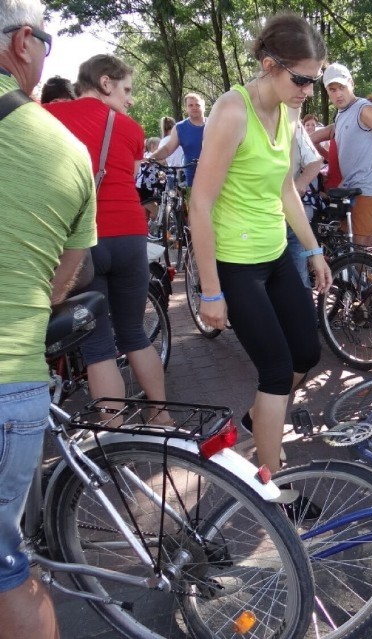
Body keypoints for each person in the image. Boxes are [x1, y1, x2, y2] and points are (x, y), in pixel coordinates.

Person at [188, 11, 331, 476]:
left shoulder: (288, 112)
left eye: (315, 80)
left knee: (306, 355)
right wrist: (211, 291)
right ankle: (275, 493)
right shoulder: (232, 110)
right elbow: (200, 202)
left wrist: (312, 249)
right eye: (303, 79)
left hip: (274, 254)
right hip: (237, 264)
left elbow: (287, 187)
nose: (309, 91)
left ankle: (258, 419)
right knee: (274, 371)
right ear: (270, 65)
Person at [0, 5, 96, 636]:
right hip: (18, 378)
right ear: (22, 43)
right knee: (7, 564)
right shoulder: (68, 147)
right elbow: (66, 276)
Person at [45, 54, 171, 419]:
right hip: (130, 234)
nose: (130, 100)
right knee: (133, 332)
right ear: (105, 83)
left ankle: (114, 431)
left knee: (98, 345)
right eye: (126, 89)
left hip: (82, 242)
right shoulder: (129, 128)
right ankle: (160, 414)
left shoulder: (47, 118)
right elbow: (128, 178)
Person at [315, 62, 372, 246]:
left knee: (361, 250)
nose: (338, 94)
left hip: (368, 190)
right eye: (332, 89)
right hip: (348, 189)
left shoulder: (364, 109)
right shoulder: (341, 114)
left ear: (352, 83)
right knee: (348, 248)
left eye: (342, 87)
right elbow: (325, 136)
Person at [287, 109, 324, 288]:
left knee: (300, 276)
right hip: (257, 220)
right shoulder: (241, 118)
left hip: (291, 213)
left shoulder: (294, 125)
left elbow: (315, 161)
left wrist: (301, 183)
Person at [149, 92, 206, 187]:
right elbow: (167, 149)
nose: (194, 107)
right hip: (192, 178)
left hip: (215, 176)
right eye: (190, 105)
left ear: (203, 106)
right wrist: (150, 158)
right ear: (186, 108)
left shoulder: (214, 125)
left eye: (197, 104)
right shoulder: (180, 128)